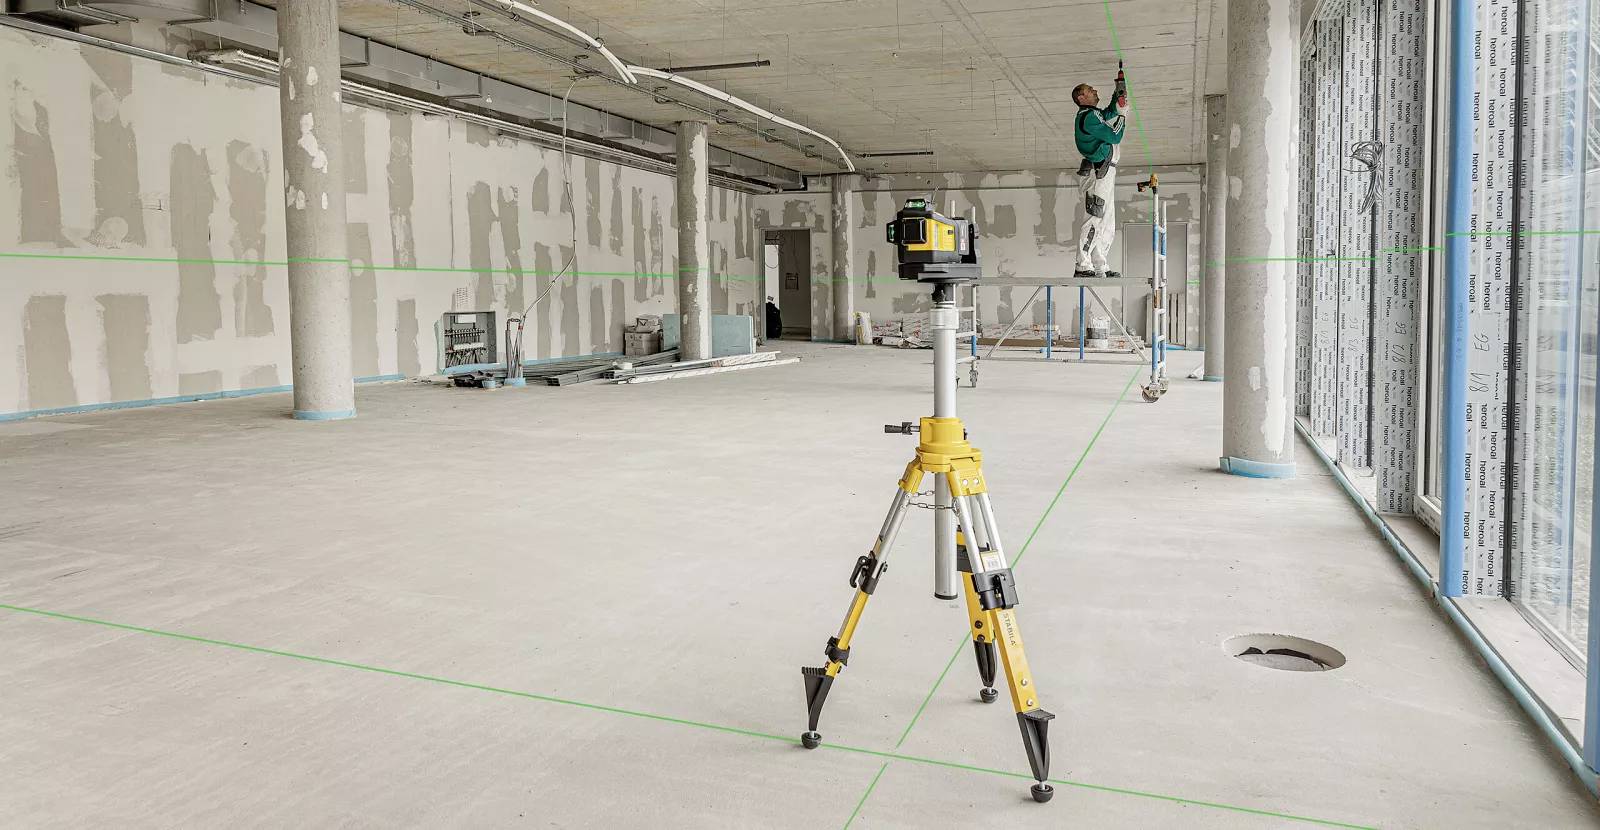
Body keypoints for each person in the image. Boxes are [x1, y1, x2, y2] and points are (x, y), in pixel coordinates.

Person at [1072, 69, 1128, 278]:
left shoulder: (1094, 115)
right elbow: (1114, 135)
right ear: (1081, 97)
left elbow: (1109, 113)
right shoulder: (1087, 116)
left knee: (1106, 220)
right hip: (1099, 173)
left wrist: (1118, 95)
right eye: (1089, 90)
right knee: (1095, 217)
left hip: (1104, 171)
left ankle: (1099, 265)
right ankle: (1082, 265)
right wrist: (1123, 114)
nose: (1094, 90)